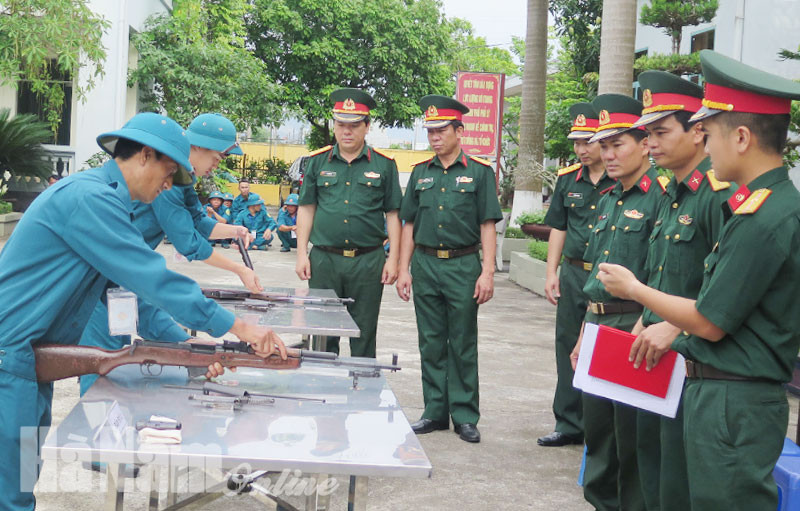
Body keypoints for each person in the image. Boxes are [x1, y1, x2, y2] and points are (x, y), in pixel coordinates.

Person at [0, 112, 287, 510]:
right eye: (168, 172)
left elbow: (129, 294)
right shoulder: (90, 199)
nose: (168, 185)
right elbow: (152, 277)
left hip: (26, 359)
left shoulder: (107, 200)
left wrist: (189, 347)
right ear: (145, 155)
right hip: (8, 357)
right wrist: (238, 327)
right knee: (10, 495)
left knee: (19, 482)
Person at [597, 50, 800, 511]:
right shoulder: (759, 209)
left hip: (736, 397)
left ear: (742, 137)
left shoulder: (764, 216)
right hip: (719, 389)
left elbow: (709, 320)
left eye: (710, 134)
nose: (706, 147)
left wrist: (635, 290)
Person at [77, 112, 260, 396]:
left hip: (123, 281)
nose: (216, 165)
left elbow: (198, 222)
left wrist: (235, 231)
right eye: (217, 157)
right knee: (102, 373)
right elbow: (186, 246)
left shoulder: (179, 180)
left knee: (117, 360)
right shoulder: (96, 197)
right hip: (108, 282)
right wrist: (236, 304)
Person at [625, 70, 732, 511]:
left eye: (661, 132)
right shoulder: (673, 193)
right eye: (647, 134)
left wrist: (673, 326)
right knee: (651, 470)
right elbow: (664, 274)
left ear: (698, 131)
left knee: (680, 483)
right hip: (655, 354)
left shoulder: (718, 195)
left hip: (692, 358)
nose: (651, 143)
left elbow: (725, 286)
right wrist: (643, 319)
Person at [396, 95, 502, 444]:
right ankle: (435, 411)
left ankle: (465, 415)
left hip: (463, 265)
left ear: (460, 131)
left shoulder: (479, 172)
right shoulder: (420, 173)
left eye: (441, 130)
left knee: (462, 341)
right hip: (425, 263)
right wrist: (404, 268)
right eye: (431, 132)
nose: (435, 137)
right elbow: (409, 224)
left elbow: (488, 224)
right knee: (430, 341)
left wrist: (487, 272)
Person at [570, 94, 659, 511]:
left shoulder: (661, 197)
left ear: (644, 144)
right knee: (599, 435)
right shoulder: (608, 198)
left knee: (634, 441)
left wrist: (647, 323)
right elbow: (597, 281)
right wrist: (583, 334)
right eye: (603, 146)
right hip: (599, 324)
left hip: (636, 327)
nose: (608, 154)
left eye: (617, 144)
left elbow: (663, 274)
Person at [296, 88, 402, 358]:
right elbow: (306, 208)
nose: (346, 131)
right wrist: (301, 254)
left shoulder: (384, 165)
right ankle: (322, 380)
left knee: (364, 332)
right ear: (334, 125)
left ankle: (362, 383)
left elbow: (393, 214)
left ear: (367, 126)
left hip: (368, 262)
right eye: (341, 124)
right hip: (324, 260)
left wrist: (393, 260)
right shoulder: (317, 162)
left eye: (354, 125)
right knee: (322, 331)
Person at [538, 103, 614, 448]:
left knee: (604, 348)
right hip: (572, 273)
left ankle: (599, 427)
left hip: (609, 278)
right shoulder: (568, 179)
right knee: (568, 345)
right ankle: (568, 423)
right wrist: (551, 271)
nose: (582, 149)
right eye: (577, 142)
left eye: (588, 141)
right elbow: (559, 227)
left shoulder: (620, 178)